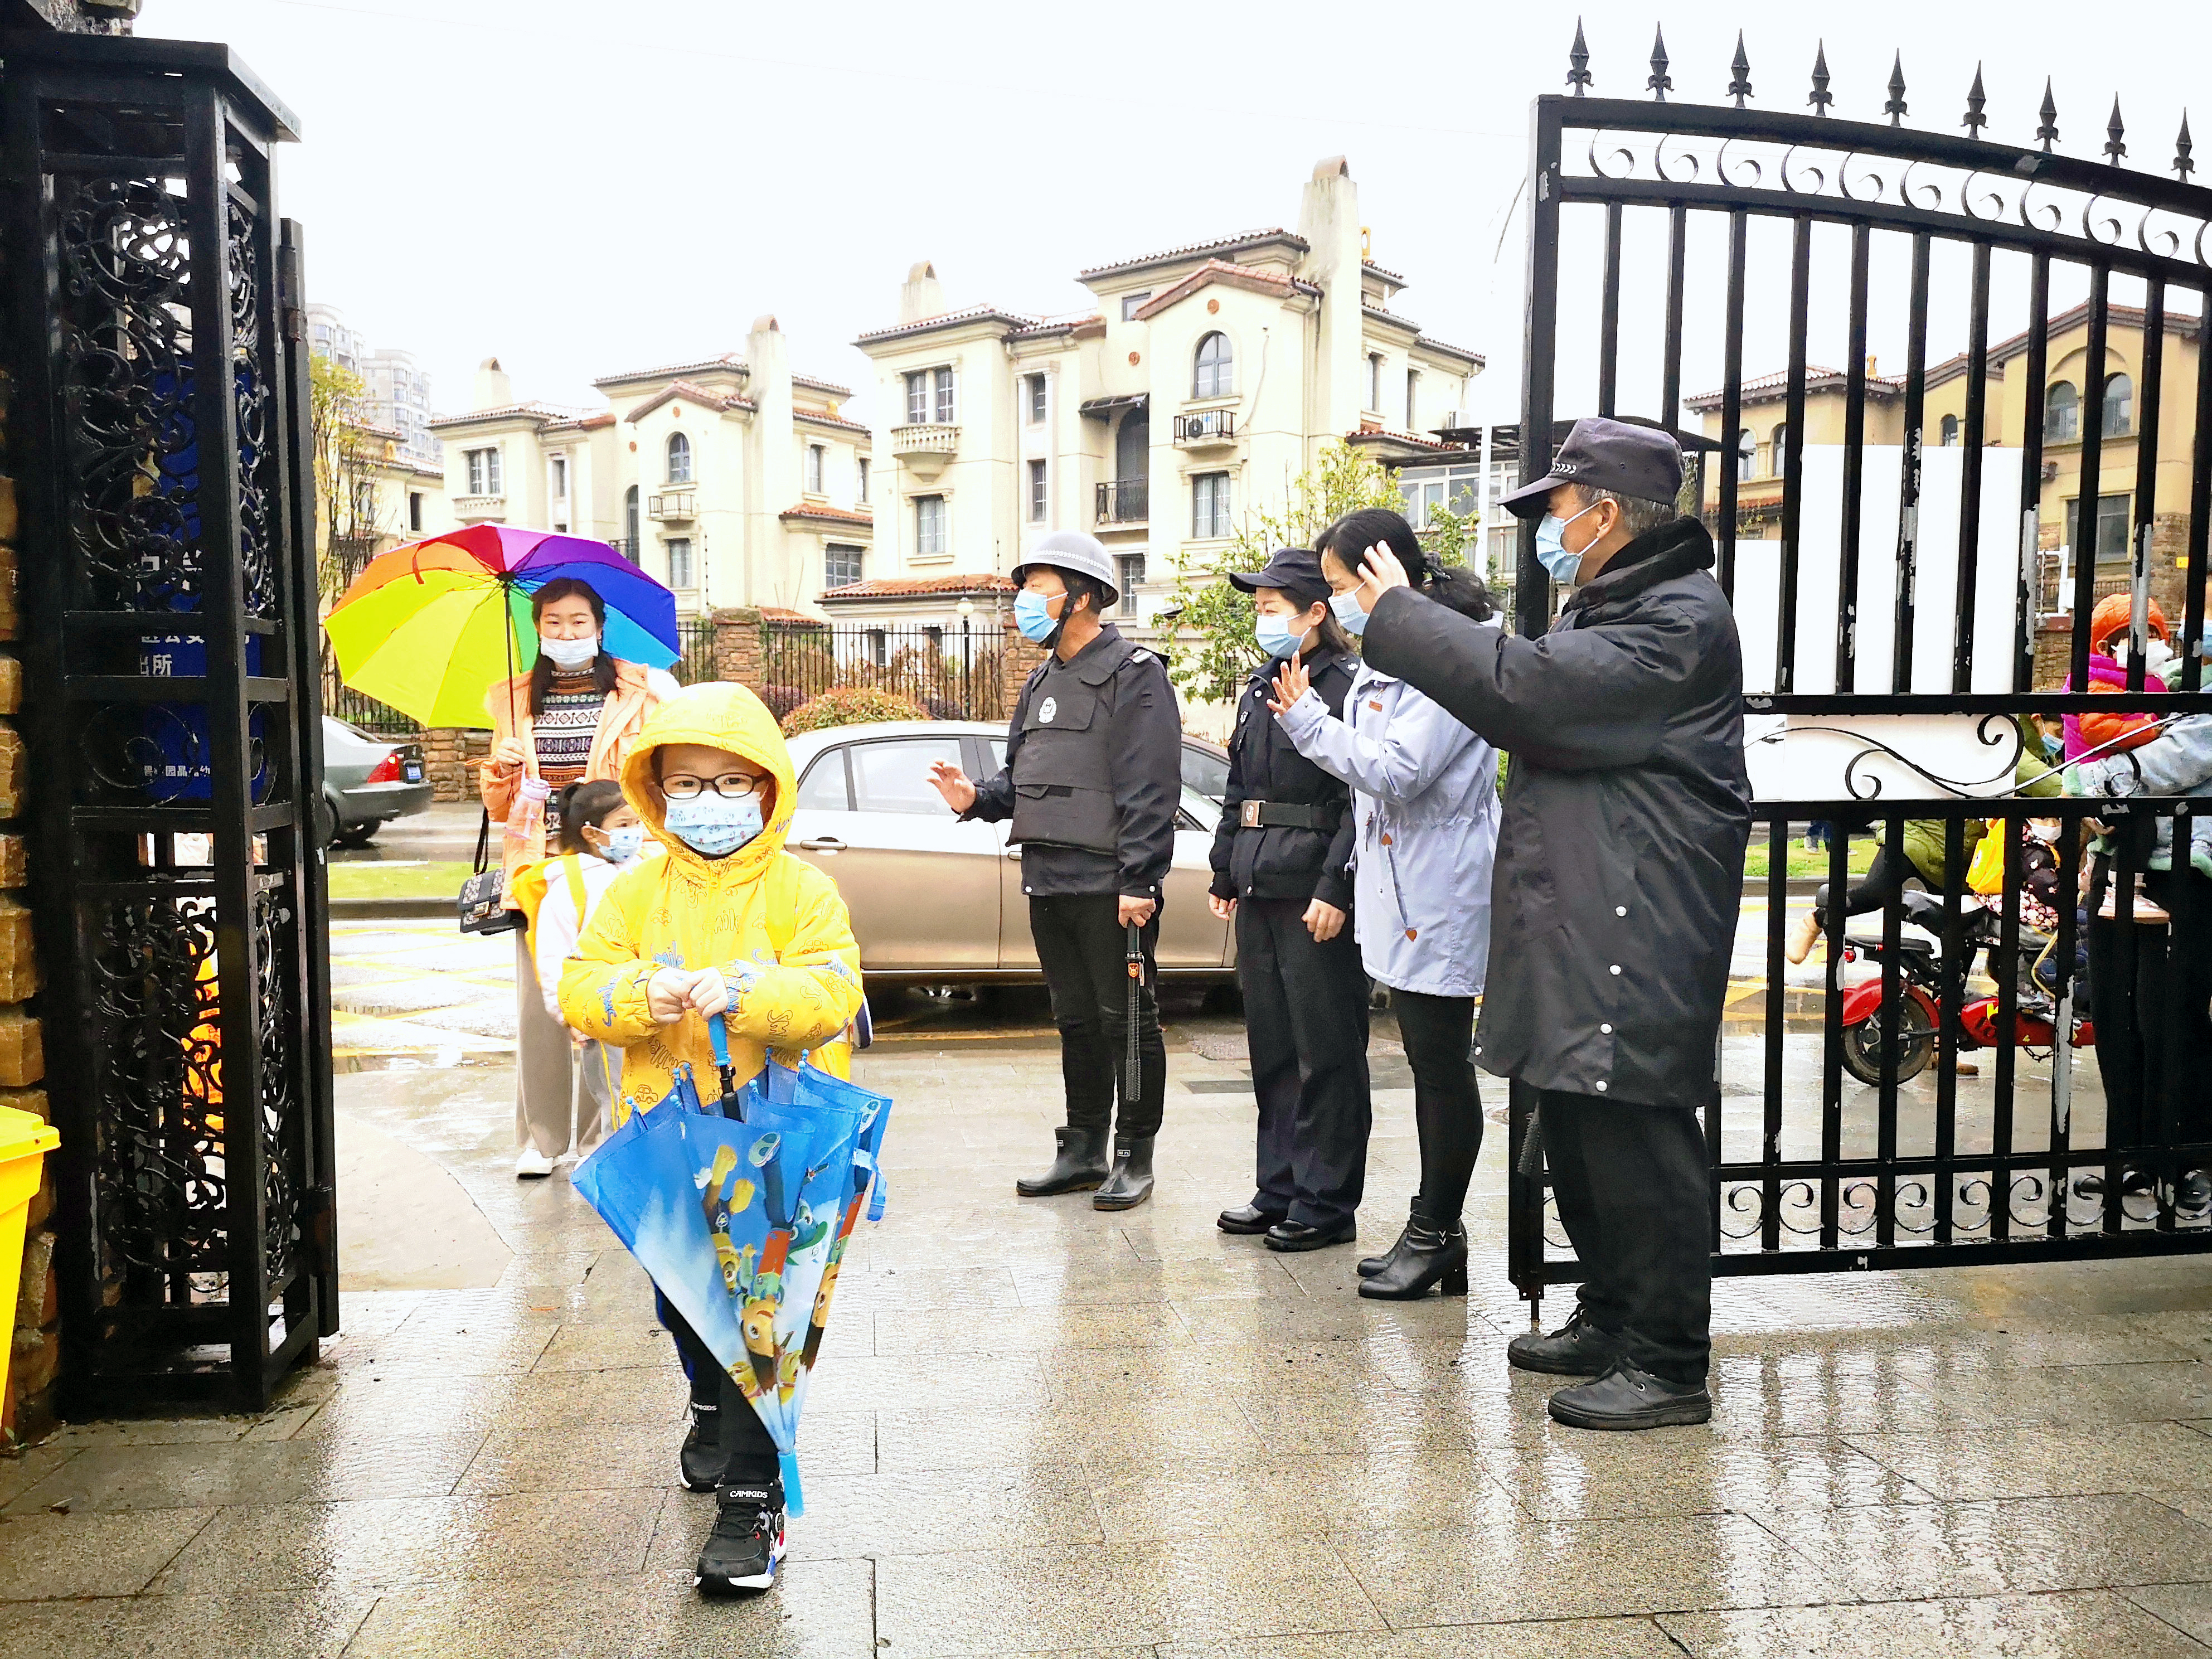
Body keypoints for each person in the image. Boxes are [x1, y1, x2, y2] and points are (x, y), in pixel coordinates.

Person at [1352, 415, 1750, 1430]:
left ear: (1605, 514)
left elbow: (1527, 692)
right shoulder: (1617, 606)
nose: (1545, 530)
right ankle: (1611, 1316)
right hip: (1586, 912)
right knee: (1576, 1122)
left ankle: (1667, 1362)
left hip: (1637, 918)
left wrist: (1401, 614)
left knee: (1635, 1135)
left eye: (1556, 509)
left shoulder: (1676, 619)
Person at [560, 681, 865, 1594]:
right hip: (665, 1135)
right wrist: (634, 996)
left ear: (767, 788)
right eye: (688, 783)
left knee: (754, 1314)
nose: (710, 801)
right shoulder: (633, 892)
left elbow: (833, 993)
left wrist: (750, 990)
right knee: (683, 1302)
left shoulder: (803, 890)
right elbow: (581, 985)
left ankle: (751, 1498)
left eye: (732, 782)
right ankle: (704, 1395)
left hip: (776, 1146)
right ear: (656, 791)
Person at [1273, 508, 1501, 1298]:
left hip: (1438, 888)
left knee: (1440, 1067)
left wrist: (1309, 723)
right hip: (1403, 887)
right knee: (1428, 1060)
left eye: (1341, 585)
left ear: (1381, 572)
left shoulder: (1446, 650)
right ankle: (1436, 1230)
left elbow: (1400, 770)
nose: (1337, 603)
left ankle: (1436, 1231)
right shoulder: (1398, 649)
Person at [925, 531, 1181, 1209]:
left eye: (1038, 588)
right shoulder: (1041, 680)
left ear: (1084, 597)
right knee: (1074, 1020)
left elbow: (1152, 787)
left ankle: (1133, 1156)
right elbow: (1021, 780)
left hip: (1110, 885)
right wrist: (974, 798)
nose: (1023, 600)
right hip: (1047, 877)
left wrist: (1140, 880)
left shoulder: (1135, 673)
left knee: (1127, 1020)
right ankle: (1082, 1150)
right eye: (1024, 589)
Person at [483, 576, 678, 1178]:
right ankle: (541, 1140)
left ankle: (604, 1133)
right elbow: (499, 808)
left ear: (599, 627)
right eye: (553, 623)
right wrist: (500, 769)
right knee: (539, 1007)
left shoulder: (641, 691)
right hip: (540, 869)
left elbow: (658, 776)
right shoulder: (512, 699)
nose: (566, 634)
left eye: (578, 622)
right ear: (537, 629)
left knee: (610, 995)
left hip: (615, 862)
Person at [1207, 547, 1370, 1253]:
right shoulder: (1259, 687)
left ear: (1314, 612)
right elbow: (1238, 788)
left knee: (1324, 1049)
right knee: (1271, 1047)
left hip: (1313, 890)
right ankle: (1277, 1187)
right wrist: (1224, 869)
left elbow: (1358, 799)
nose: (1261, 618)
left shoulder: (1345, 688)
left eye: (1272, 607)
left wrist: (1336, 885)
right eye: (1258, 607)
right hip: (1259, 883)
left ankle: (1325, 1201)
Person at [2067, 708, 2212, 1216]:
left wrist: (2087, 781)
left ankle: (2188, 1157)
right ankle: (2132, 1154)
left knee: (2169, 1017)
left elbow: (2179, 758)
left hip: (2184, 868)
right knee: (2115, 1017)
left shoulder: (2197, 694)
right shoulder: (2153, 688)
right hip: (2116, 862)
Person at [523, 779, 649, 1161]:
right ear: (591, 833)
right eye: (623, 825)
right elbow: (553, 958)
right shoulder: (569, 888)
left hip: (653, 1005)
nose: (635, 832)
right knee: (618, 1102)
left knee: (653, 1095)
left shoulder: (646, 871)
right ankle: (622, 1173)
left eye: (637, 822)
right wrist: (568, 1013)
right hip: (604, 1012)